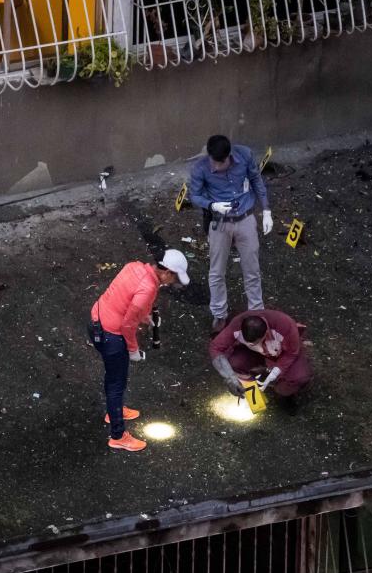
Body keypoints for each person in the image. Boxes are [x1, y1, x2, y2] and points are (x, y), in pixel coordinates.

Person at [90, 249, 190, 452]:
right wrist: (133, 350)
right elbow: (127, 324)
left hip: (96, 321)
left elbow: (128, 299)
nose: (173, 282)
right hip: (111, 335)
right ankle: (118, 435)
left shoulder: (134, 267)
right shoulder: (149, 288)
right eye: (174, 277)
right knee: (116, 384)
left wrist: (145, 316)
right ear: (167, 273)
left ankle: (114, 411)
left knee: (113, 378)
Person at [188, 135, 274, 334]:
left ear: (230, 156)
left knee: (252, 269)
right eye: (213, 161)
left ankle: (256, 312)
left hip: (245, 218)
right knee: (216, 272)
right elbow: (194, 195)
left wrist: (267, 211)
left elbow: (255, 179)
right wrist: (212, 205)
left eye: (221, 162)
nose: (216, 166)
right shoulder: (201, 168)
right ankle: (219, 314)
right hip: (220, 223)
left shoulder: (244, 155)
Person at [209, 309, 311, 401]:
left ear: (265, 332)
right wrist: (230, 377)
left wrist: (276, 372)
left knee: (299, 377)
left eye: (255, 342)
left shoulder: (285, 325)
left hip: (282, 354)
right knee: (233, 363)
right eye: (247, 341)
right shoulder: (236, 325)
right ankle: (252, 383)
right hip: (257, 353)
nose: (251, 344)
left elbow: (291, 353)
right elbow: (216, 348)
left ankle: (280, 391)